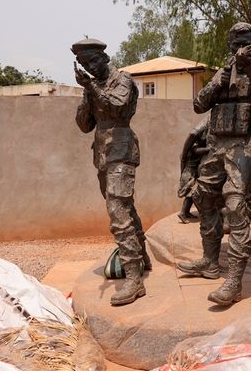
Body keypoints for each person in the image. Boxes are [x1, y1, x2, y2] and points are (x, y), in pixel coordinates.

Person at [176, 22, 251, 306]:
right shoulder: (224, 71)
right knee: (203, 198)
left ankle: (234, 281)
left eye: (245, 42)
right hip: (217, 143)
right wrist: (220, 77)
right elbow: (199, 104)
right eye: (235, 43)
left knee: (235, 205)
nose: (239, 48)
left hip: (244, 144)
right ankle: (209, 262)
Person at [72, 38, 150, 306]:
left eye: (93, 61)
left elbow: (117, 108)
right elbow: (84, 125)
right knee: (124, 207)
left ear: (105, 58)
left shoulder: (123, 80)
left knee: (117, 212)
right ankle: (143, 258)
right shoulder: (93, 86)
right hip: (103, 155)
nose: (90, 67)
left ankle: (134, 280)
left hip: (122, 150)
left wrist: (92, 87)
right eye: (84, 64)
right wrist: (87, 94)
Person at [177, 117, 210, 223]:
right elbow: (199, 151)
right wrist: (209, 149)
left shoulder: (193, 148)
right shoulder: (194, 147)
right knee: (191, 195)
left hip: (190, 173)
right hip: (189, 174)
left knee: (190, 195)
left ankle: (186, 212)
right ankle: (182, 213)